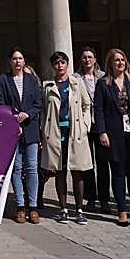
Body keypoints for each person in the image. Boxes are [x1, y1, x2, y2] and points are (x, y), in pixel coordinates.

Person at [94, 48, 130, 227]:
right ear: (110, 64)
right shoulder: (103, 84)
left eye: (122, 60)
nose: (120, 63)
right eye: (116, 60)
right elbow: (99, 110)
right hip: (114, 134)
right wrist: (102, 132)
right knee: (118, 173)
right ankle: (122, 211)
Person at [42, 51, 93, 225]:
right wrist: (44, 129)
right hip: (56, 133)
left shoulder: (77, 84)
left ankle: (79, 209)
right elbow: (43, 110)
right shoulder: (48, 86)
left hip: (75, 132)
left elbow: (87, 105)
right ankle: (63, 209)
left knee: (78, 172)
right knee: (59, 171)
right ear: (53, 66)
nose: (60, 65)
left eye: (63, 62)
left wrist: (86, 125)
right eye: (56, 63)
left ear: (68, 64)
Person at [0, 47, 43, 224]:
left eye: (20, 58)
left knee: (32, 168)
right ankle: (20, 206)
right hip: (12, 130)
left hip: (30, 129)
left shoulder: (32, 80)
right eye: (14, 58)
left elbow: (38, 103)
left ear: (24, 61)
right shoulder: (3, 80)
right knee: (16, 168)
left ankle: (34, 206)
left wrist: (27, 114)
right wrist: (14, 118)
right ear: (10, 62)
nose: (17, 61)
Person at [74, 46, 109, 213]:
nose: (87, 60)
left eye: (90, 57)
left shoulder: (103, 77)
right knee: (87, 164)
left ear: (95, 59)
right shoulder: (75, 78)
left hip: (101, 124)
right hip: (84, 125)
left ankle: (104, 199)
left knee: (103, 163)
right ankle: (90, 198)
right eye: (84, 57)